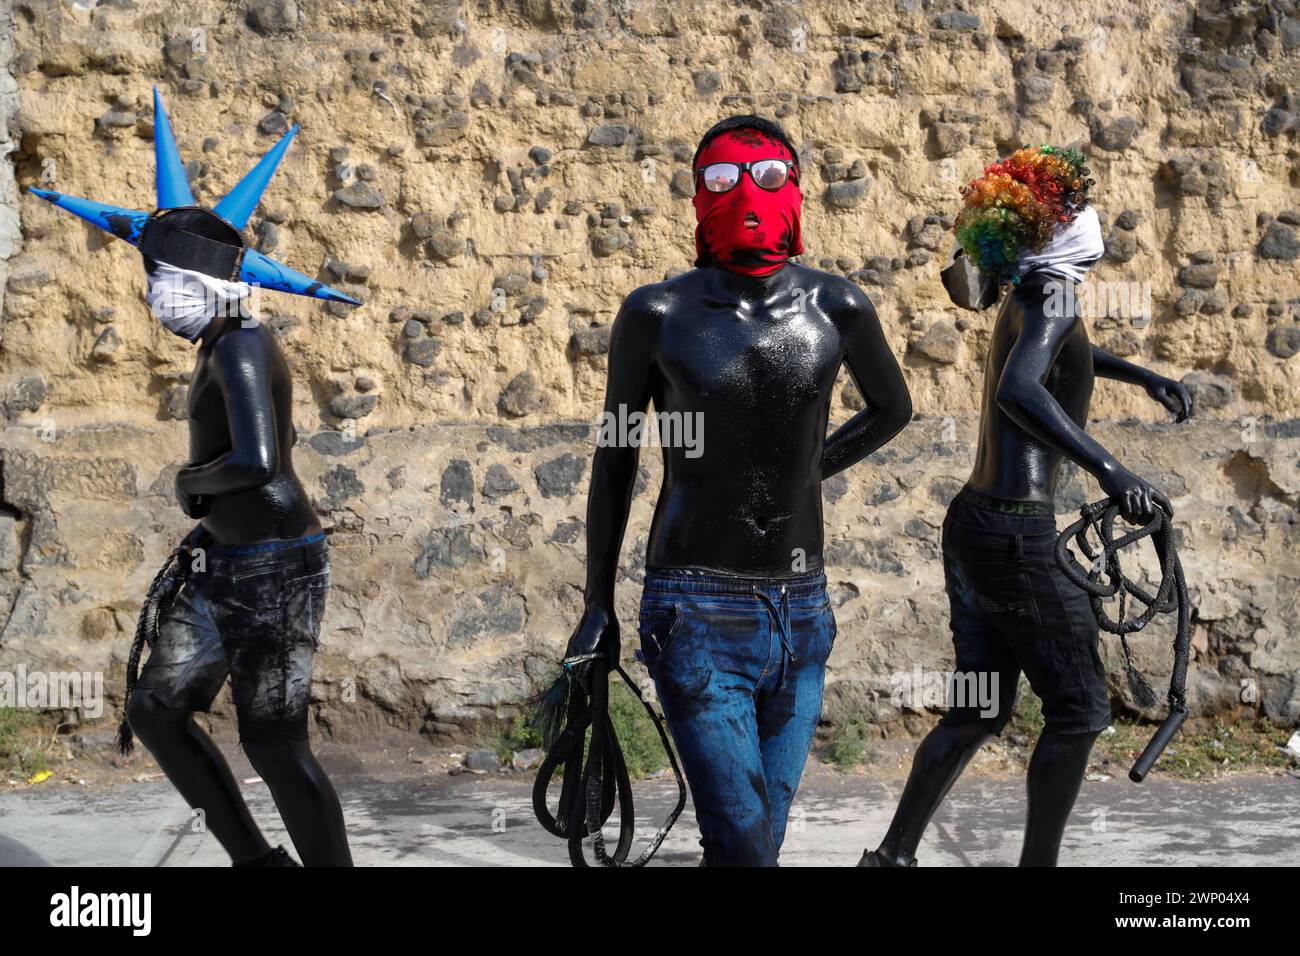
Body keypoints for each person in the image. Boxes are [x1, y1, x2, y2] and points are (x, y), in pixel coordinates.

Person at [564, 115, 913, 866]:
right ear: (698, 196)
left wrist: (809, 468)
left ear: (795, 189)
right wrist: (597, 601)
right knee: (746, 846)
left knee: (761, 843)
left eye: (766, 179)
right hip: (695, 608)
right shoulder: (655, 315)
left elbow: (893, 409)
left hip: (802, 610)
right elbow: (616, 459)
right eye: (721, 181)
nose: (745, 197)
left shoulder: (836, 307)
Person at [32, 89, 359, 866]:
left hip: (273, 563)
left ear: (207, 279)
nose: (156, 296)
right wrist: (203, 505)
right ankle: (256, 861)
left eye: (165, 277)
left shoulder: (243, 347)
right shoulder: (218, 345)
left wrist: (190, 487)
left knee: (275, 741)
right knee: (156, 707)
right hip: (226, 562)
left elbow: (256, 462)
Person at [863, 146, 1192, 868]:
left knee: (978, 707)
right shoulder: (1054, 293)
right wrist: (1110, 469)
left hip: (976, 525)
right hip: (1016, 537)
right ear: (1044, 226)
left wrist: (1139, 374)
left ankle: (889, 858)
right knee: (1079, 711)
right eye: (1072, 210)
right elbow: (1021, 386)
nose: (1088, 220)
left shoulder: (1039, 292)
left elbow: (1059, 358)